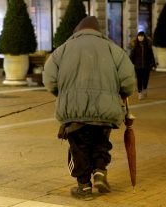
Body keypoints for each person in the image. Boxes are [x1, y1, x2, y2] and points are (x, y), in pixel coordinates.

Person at [43, 16, 135, 200]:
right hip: (106, 110)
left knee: (79, 147)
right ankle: (100, 171)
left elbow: (49, 80)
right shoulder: (113, 49)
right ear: (98, 31)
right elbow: (128, 81)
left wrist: (62, 94)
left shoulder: (62, 50)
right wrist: (122, 95)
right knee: (101, 143)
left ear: (77, 31)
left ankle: (84, 187)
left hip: (75, 111)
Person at [130, 31, 156, 100]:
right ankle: (139, 93)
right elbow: (132, 56)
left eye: (141, 36)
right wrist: (130, 64)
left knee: (145, 80)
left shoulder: (148, 46)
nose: (140, 38)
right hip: (138, 67)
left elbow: (151, 56)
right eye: (139, 36)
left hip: (146, 66)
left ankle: (145, 89)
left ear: (144, 37)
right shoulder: (135, 46)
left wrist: (153, 64)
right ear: (137, 37)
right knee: (139, 80)